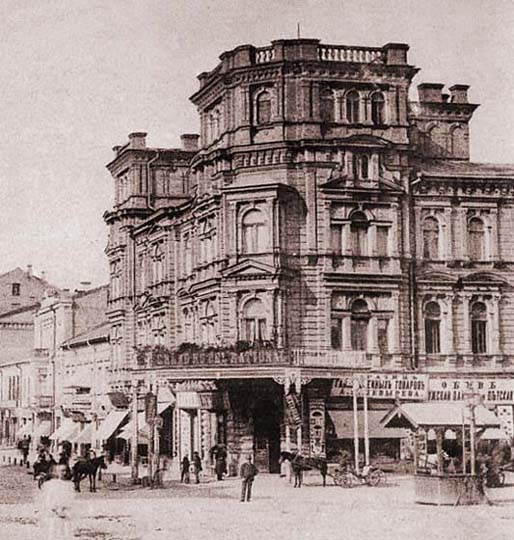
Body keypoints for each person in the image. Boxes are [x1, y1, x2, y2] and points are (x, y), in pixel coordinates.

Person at [37, 464, 75, 539]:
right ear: (56, 472)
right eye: (61, 471)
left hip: (65, 511)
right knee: (53, 531)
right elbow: (48, 498)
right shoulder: (50, 484)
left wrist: (65, 509)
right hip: (53, 512)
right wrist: (55, 509)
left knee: (66, 532)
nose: (64, 473)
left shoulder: (69, 484)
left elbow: (70, 498)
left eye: (65, 471)